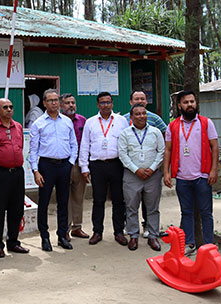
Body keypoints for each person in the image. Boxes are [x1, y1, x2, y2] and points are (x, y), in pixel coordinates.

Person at [163, 90, 219, 256]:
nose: (190, 105)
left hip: (202, 176)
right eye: (186, 102)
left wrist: (214, 170)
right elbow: (168, 150)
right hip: (182, 177)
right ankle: (189, 243)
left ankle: (209, 246)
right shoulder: (172, 126)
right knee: (186, 212)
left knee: (206, 213)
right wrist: (166, 172)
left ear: (196, 104)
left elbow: (214, 147)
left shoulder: (206, 123)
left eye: (192, 102)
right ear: (179, 105)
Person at [30, 89, 78, 251]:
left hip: (64, 165)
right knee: (43, 203)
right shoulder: (38, 124)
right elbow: (33, 150)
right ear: (44, 103)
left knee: (63, 202)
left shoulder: (66, 121)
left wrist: (70, 163)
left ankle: (62, 236)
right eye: (50, 100)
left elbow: (74, 144)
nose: (54, 103)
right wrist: (36, 171)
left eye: (56, 100)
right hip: (46, 166)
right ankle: (45, 237)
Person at [79, 92, 129, 246]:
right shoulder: (90, 122)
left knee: (118, 200)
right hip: (97, 165)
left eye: (108, 102)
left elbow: (128, 142)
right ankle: (97, 231)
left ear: (112, 104)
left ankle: (119, 232)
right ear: (97, 105)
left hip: (117, 164)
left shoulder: (121, 121)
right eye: (102, 102)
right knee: (98, 200)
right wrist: (84, 167)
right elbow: (85, 145)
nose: (105, 105)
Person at [0, 98, 30, 257]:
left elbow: (20, 146)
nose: (9, 109)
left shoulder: (18, 127)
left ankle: (13, 242)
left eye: (11, 107)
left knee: (17, 209)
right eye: (5, 107)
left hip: (17, 172)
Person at [117, 104, 165, 251]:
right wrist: (136, 170)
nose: (141, 116)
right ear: (131, 117)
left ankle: (153, 236)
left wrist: (152, 168)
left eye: (143, 113)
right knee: (131, 207)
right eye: (137, 114)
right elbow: (122, 154)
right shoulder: (125, 134)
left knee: (152, 207)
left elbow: (161, 151)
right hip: (132, 175)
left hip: (153, 175)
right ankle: (133, 236)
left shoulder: (155, 132)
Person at [59, 93, 89, 240]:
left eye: (73, 102)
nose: (71, 105)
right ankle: (64, 229)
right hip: (63, 164)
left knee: (78, 197)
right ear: (60, 106)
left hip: (79, 164)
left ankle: (77, 227)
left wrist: (86, 166)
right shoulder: (58, 121)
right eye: (67, 103)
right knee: (64, 198)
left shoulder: (83, 121)